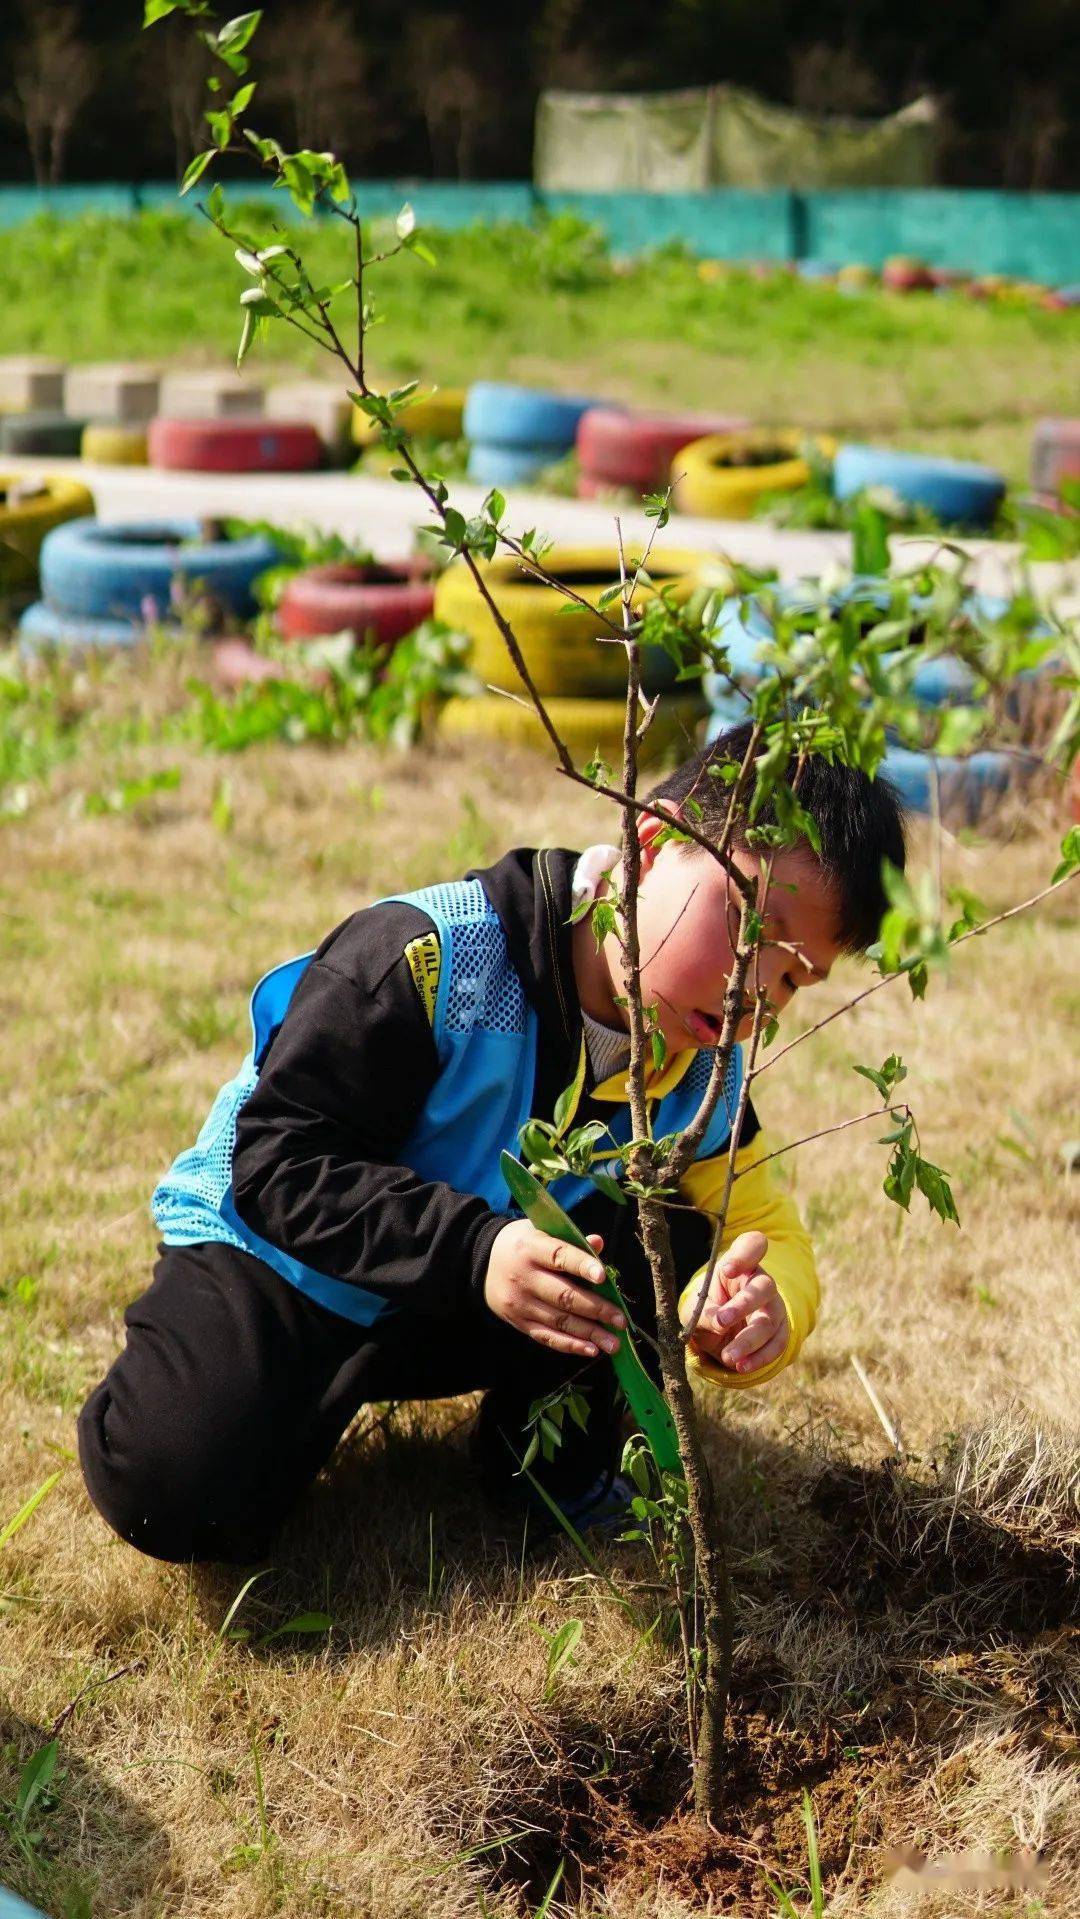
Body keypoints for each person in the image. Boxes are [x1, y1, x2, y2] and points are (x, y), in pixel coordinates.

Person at [77, 722, 906, 1563]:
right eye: (745, 924)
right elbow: (279, 1161)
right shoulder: (435, 958)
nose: (752, 992)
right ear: (649, 842)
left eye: (795, 975)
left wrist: (746, 1307)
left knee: (672, 1231)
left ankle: (542, 1468)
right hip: (282, 1259)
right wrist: (476, 1251)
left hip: (467, 1290)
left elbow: (769, 1230)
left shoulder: (700, 1070)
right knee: (174, 1489)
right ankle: (236, 1387)